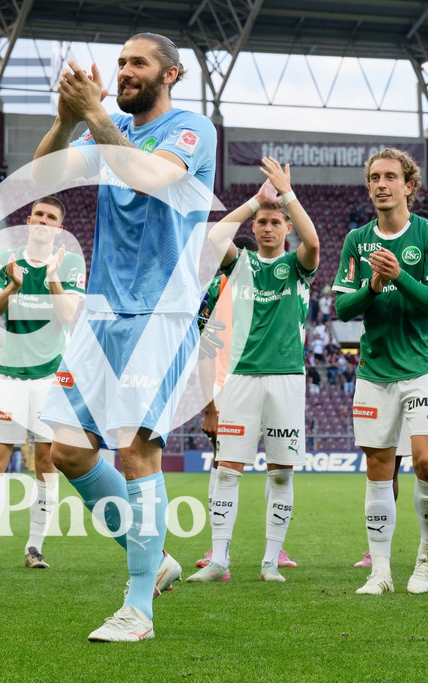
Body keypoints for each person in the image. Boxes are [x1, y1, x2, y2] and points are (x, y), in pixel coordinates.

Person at [33, 31, 216, 641]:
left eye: (138, 63)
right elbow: (43, 175)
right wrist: (65, 122)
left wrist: (91, 114)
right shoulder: (104, 123)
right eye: (120, 63)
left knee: (136, 449)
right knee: (68, 450)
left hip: (159, 313)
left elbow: (149, 179)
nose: (125, 71)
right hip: (103, 311)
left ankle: (139, 607)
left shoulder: (192, 130)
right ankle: (156, 557)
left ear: (171, 74)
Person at [186, 158, 319, 584]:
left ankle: (269, 561)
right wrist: (255, 200)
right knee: (228, 468)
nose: (265, 227)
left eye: (274, 222)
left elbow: (314, 243)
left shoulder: (297, 267)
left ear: (285, 229)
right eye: (261, 222)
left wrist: (289, 197)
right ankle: (220, 560)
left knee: (281, 472)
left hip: (285, 379)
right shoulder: (239, 264)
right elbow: (214, 234)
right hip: (241, 379)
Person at [332, 148, 428, 596]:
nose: (380, 184)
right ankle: (380, 571)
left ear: (409, 186)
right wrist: (372, 285)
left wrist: (399, 275)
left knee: (424, 462)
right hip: (375, 369)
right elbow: (344, 307)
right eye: (373, 178)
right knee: (378, 468)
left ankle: (427, 556)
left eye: (389, 177)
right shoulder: (356, 240)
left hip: (423, 366)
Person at [0, 196, 85, 572]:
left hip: (50, 378)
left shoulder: (70, 262)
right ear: (29, 220)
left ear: (59, 227)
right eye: (39, 215)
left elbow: (67, 315)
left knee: (46, 462)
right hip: (10, 376)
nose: (44, 221)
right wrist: (12, 287)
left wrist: (54, 278)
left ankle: (35, 549)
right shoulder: (6, 261)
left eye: (52, 218)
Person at [355, 254, 428, 570]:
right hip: (388, 366)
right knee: (386, 462)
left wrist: (411, 275)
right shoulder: (376, 254)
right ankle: (375, 546)